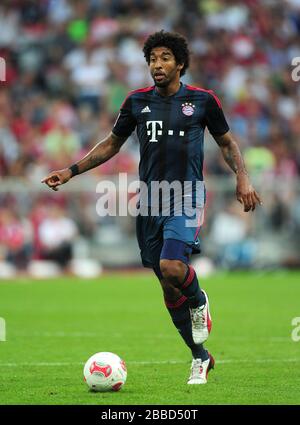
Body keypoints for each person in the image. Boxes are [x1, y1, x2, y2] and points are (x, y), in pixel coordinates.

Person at [42, 30, 262, 384]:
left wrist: (243, 178)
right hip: (149, 201)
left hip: (186, 195)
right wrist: (71, 170)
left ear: (180, 64)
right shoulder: (136, 101)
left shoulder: (204, 101)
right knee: (168, 287)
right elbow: (112, 143)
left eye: (164, 58)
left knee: (174, 267)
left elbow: (226, 142)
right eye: (152, 59)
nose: (156, 65)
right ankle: (200, 357)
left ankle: (200, 299)